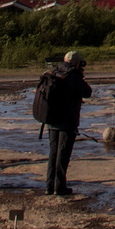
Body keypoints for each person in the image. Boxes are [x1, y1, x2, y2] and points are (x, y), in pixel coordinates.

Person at [42, 51, 93, 196]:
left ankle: (49, 186)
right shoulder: (73, 76)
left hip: (52, 120)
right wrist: (80, 76)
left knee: (53, 153)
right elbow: (87, 92)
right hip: (67, 121)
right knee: (63, 154)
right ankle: (60, 187)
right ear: (76, 63)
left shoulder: (55, 71)